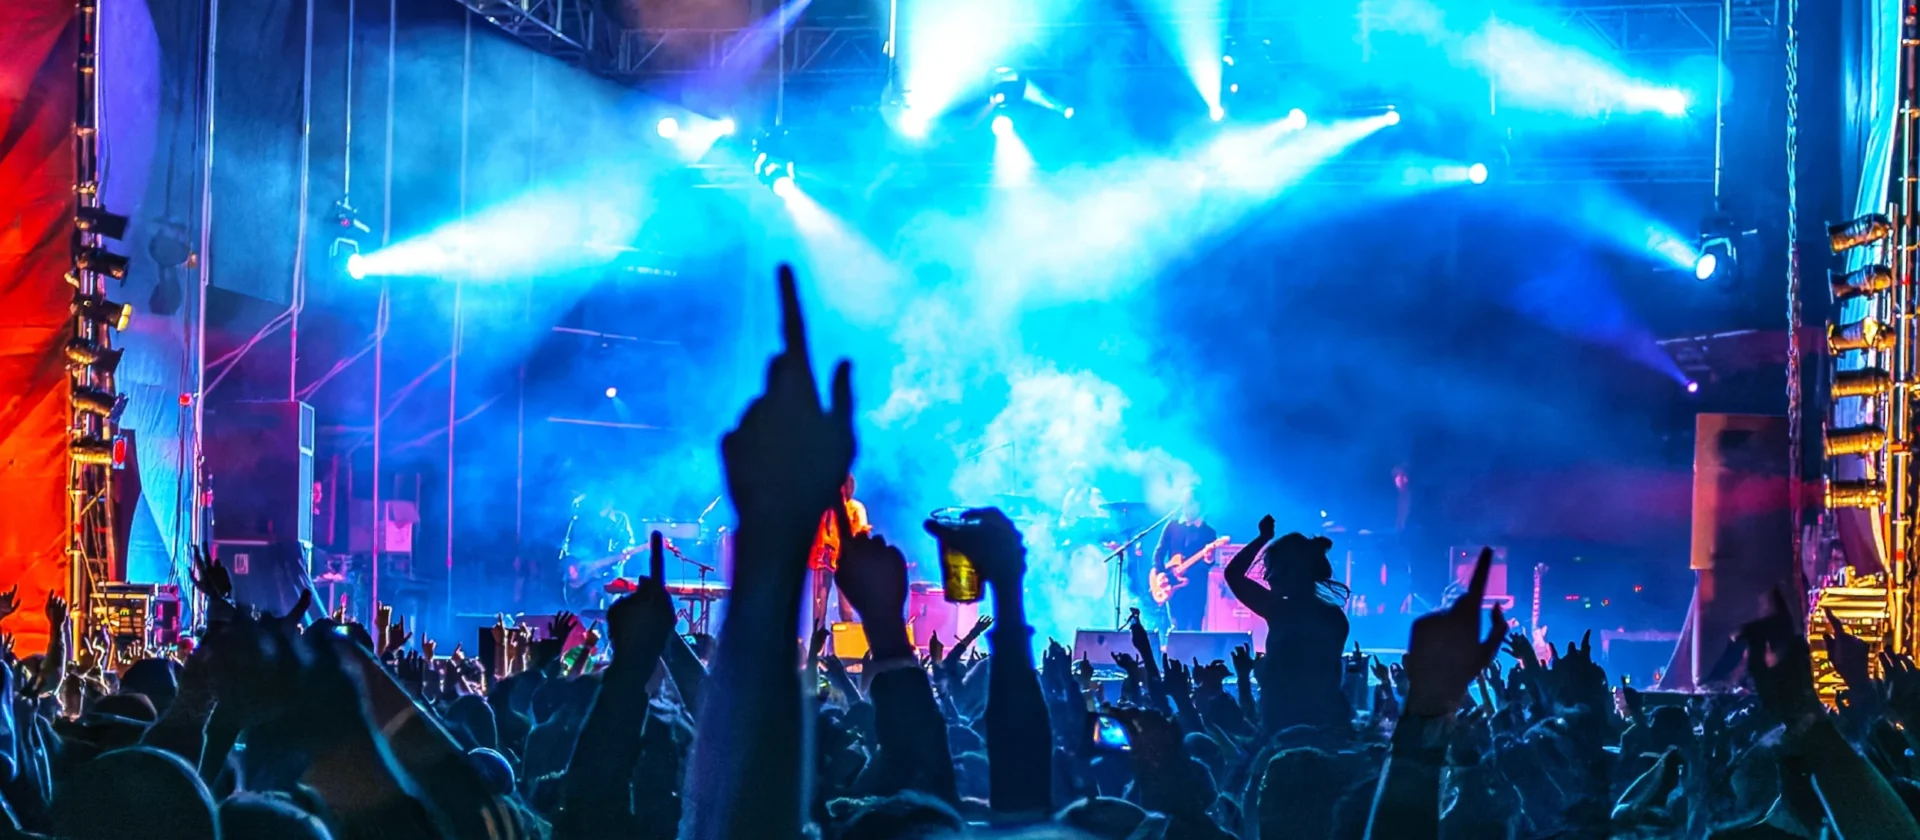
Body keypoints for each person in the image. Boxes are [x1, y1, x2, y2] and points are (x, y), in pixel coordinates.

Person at [1223, 515, 1351, 731]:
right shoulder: (1335, 616)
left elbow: (1233, 574)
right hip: (1328, 722)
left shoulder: (1282, 611)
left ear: (1289, 571)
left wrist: (1263, 538)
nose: (1266, 578)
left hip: (1286, 723)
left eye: (1269, 569)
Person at [809, 474, 871, 629]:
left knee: (846, 607)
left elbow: (860, 532)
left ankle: (847, 643)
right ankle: (818, 645)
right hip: (823, 561)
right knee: (819, 607)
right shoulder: (823, 509)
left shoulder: (856, 508)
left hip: (845, 562)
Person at [558, 490, 638, 609]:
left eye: (607, 499)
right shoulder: (583, 519)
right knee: (583, 600)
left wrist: (621, 556)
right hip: (586, 573)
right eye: (601, 498)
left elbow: (628, 543)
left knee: (598, 593)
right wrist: (578, 567)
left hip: (611, 572)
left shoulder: (620, 519)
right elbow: (572, 546)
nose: (603, 502)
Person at [1150, 501, 1219, 632]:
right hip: (1173, 584)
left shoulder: (1208, 532)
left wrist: (1209, 559)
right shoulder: (1172, 526)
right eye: (1187, 503)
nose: (1189, 507)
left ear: (1200, 506)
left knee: (1194, 627)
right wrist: (1160, 574)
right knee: (1176, 626)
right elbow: (1159, 553)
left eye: (1193, 503)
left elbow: (1207, 565)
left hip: (1196, 587)